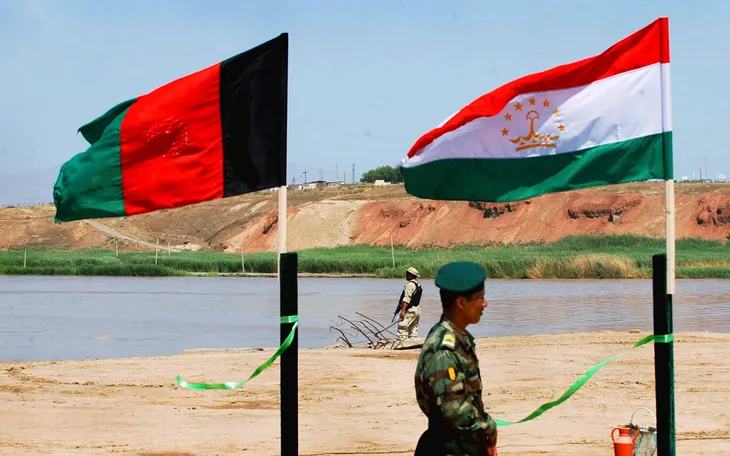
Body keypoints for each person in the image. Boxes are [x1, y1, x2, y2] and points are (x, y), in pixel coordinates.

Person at [413, 261, 498, 456]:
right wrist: (488, 428)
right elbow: (454, 411)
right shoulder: (444, 350)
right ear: (461, 303)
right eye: (480, 298)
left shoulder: (458, 338)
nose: (485, 304)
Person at [397, 266, 423, 341]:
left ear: (410, 275)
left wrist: (402, 311)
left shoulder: (410, 285)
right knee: (413, 329)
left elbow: (407, 299)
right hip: (417, 309)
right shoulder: (418, 284)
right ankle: (413, 343)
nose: (406, 275)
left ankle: (401, 343)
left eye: (407, 274)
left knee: (402, 327)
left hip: (410, 310)